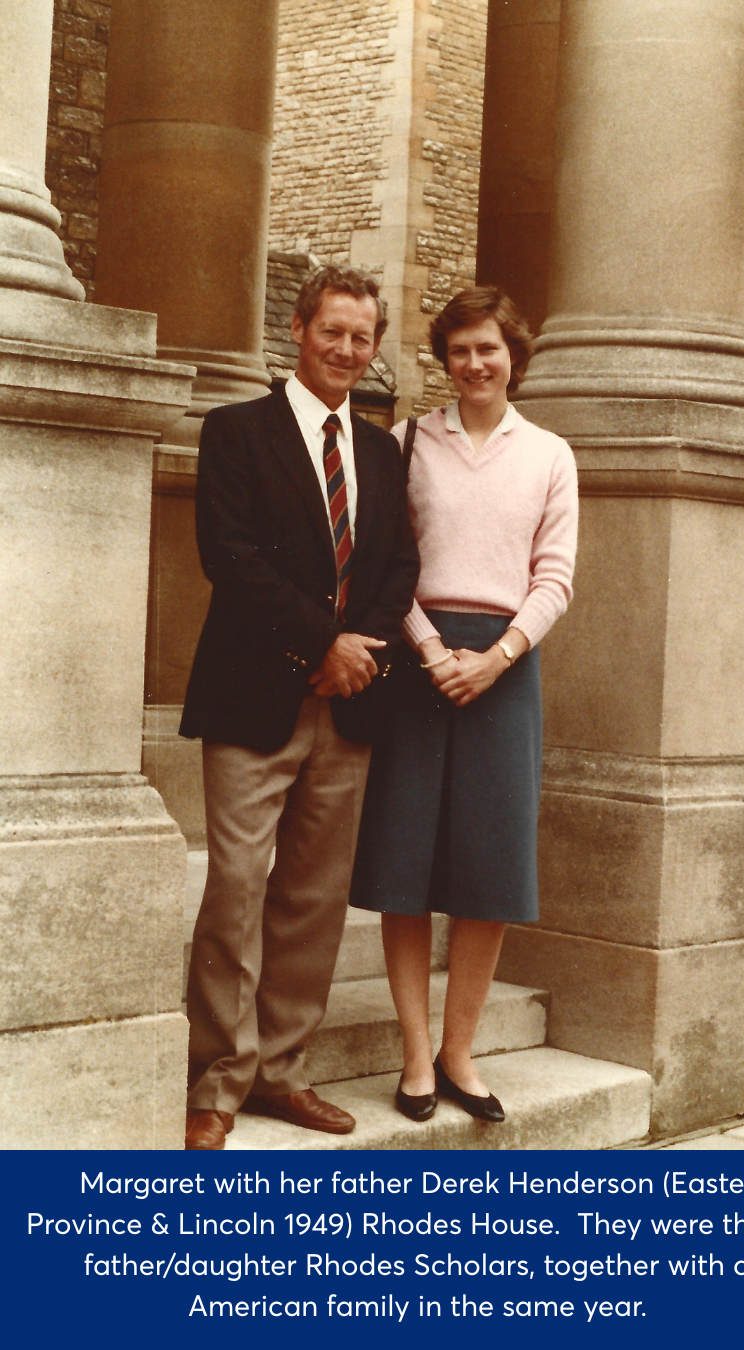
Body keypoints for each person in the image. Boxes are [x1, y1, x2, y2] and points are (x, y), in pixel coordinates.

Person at [180, 265, 419, 1150]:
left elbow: (399, 569)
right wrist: (321, 641)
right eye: (333, 333)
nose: (348, 351)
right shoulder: (236, 430)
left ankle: (282, 1074)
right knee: (237, 891)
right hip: (253, 697)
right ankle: (217, 1083)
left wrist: (357, 654)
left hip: (349, 705)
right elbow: (229, 556)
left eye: (363, 338)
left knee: (314, 901)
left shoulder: (384, 449)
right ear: (298, 328)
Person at [350, 286, 578, 1124]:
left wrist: (498, 658)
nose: (475, 364)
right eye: (459, 352)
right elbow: (386, 563)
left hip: (506, 669)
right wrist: (433, 650)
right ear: (442, 361)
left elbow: (554, 576)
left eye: (489, 349)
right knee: (406, 870)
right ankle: (415, 1057)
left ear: (513, 354)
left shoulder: (550, 454)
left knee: (488, 873)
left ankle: (459, 1051)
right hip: (418, 662)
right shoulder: (408, 442)